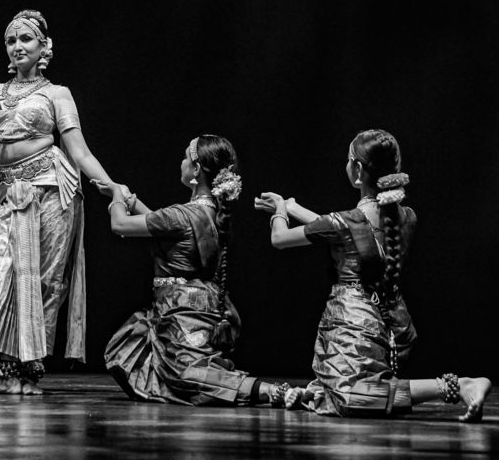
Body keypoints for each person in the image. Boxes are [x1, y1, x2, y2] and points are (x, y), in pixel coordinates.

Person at [0, 10, 113, 394]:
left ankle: (24, 376)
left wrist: (110, 184)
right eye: (11, 41)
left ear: (44, 47)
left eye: (25, 39)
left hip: (50, 187)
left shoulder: (56, 94)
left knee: (42, 284)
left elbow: (79, 152)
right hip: (10, 192)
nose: (17, 46)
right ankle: (4, 374)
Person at [256, 129, 491, 422]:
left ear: (356, 170)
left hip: (353, 317)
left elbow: (280, 238)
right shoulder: (406, 217)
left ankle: (454, 386)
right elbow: (346, 231)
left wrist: (279, 211)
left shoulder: (345, 221)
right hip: (386, 316)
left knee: (353, 397)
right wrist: (293, 207)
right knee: (335, 396)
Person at [96, 135, 292, 407]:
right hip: (196, 306)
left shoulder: (183, 215)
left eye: (185, 157)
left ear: (197, 169)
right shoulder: (212, 213)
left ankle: (268, 391)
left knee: (187, 373)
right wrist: (130, 200)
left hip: (182, 310)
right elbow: (164, 227)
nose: (182, 162)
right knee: (139, 351)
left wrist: (117, 197)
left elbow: (120, 225)